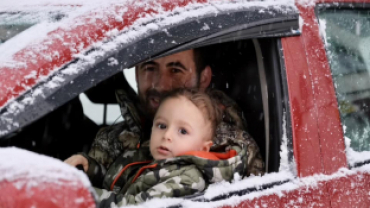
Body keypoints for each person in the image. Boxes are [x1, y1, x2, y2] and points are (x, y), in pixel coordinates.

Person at [65, 48, 264, 192]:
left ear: (204, 78)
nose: (160, 84)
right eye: (150, 68)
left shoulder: (233, 150)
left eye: (175, 70)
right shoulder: (109, 140)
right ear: (136, 74)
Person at [86, 88, 252, 206]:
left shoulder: (189, 180)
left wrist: (80, 193)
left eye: (182, 131)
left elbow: (133, 206)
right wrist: (90, 169)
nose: (167, 135)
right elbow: (116, 183)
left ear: (204, 149)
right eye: (162, 125)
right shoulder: (147, 156)